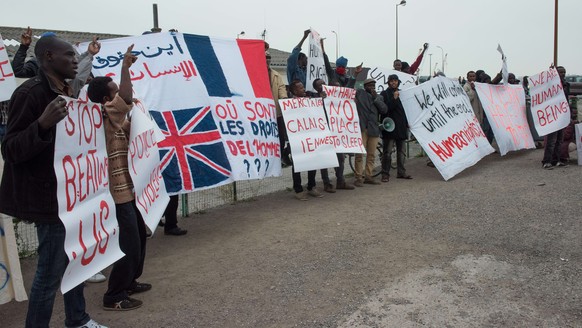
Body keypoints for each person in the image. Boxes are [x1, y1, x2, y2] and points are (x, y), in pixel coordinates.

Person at [0, 35, 107, 328]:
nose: (76, 60)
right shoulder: (30, 95)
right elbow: (10, 149)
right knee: (49, 273)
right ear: (48, 57)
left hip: (71, 196)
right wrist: (42, 124)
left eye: (76, 56)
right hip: (48, 200)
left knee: (76, 263)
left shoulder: (70, 92)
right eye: (69, 56)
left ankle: (78, 318)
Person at [87, 44, 151, 311]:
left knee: (139, 237)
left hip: (130, 190)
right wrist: (125, 68)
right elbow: (125, 96)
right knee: (129, 243)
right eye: (115, 95)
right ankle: (114, 295)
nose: (123, 98)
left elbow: (136, 129)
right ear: (105, 101)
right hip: (118, 194)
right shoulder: (103, 116)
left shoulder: (116, 120)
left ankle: (129, 281)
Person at [311, 78, 355, 192]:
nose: (323, 85)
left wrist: (354, 77)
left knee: (340, 157)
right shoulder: (314, 98)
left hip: (336, 132)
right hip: (322, 133)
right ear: (316, 88)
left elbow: (345, 92)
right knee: (325, 159)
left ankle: (340, 181)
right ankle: (327, 183)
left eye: (324, 83)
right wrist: (321, 99)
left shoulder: (333, 96)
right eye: (320, 85)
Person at [288, 79, 324, 200]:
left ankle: (311, 186)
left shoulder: (310, 100)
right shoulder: (289, 104)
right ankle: (298, 190)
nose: (303, 89)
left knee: (312, 162)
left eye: (303, 87)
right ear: (293, 91)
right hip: (297, 139)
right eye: (300, 88)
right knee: (297, 164)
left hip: (310, 137)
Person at [354, 78, 388, 186]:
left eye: (373, 85)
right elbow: (349, 89)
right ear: (365, 87)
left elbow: (384, 110)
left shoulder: (379, 97)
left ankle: (368, 176)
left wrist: (375, 98)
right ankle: (359, 177)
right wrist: (355, 76)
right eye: (369, 85)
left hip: (374, 129)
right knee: (360, 154)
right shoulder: (360, 94)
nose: (372, 87)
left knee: (371, 154)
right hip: (362, 128)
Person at [380, 74, 411, 182]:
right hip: (390, 128)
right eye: (391, 81)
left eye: (395, 81)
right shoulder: (384, 94)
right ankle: (385, 174)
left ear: (398, 82)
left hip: (401, 127)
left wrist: (408, 123)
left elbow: (406, 110)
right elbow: (386, 109)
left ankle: (401, 172)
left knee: (401, 152)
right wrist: (394, 98)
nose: (394, 83)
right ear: (388, 82)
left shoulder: (402, 93)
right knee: (387, 152)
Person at [542, 66, 570, 169]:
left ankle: (556, 160)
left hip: (562, 114)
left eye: (564, 72)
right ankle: (547, 161)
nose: (563, 74)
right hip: (552, 115)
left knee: (559, 139)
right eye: (561, 72)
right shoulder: (551, 85)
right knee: (551, 140)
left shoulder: (566, 85)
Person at [266, 50, 291, 167]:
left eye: (269, 57)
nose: (267, 59)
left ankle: (279, 158)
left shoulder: (277, 75)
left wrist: (285, 100)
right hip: (261, 114)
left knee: (281, 137)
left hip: (276, 113)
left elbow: (282, 90)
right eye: (265, 57)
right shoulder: (254, 74)